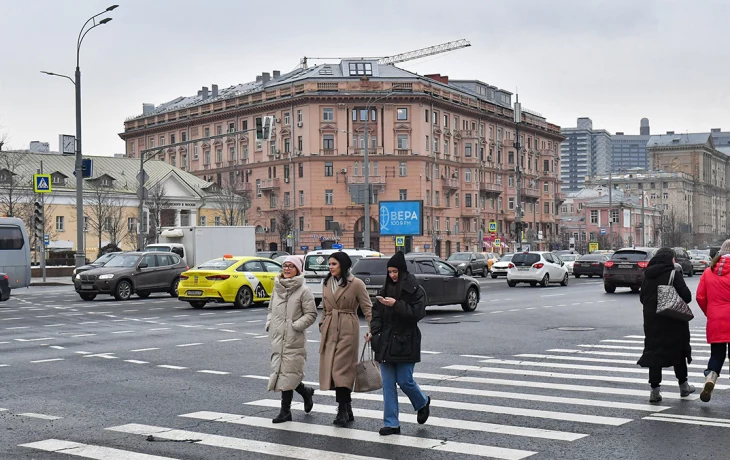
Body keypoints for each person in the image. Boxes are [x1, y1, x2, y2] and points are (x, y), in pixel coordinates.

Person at [368, 251, 431, 436]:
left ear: (402, 271)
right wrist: (374, 332)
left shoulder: (415, 289)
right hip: (386, 342)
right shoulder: (384, 289)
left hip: (406, 341)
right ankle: (392, 423)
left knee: (404, 380)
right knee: (387, 385)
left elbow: (417, 314)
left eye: (395, 271)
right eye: (390, 272)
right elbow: (376, 314)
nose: (392, 275)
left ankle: (422, 402)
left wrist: (396, 304)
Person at [319, 251, 373, 427]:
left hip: (348, 328)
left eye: (334, 264)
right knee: (333, 370)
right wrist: (322, 324)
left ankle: (342, 410)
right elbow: (325, 308)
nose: (330, 267)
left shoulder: (356, 283)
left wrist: (373, 329)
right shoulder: (327, 282)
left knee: (341, 370)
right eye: (329, 264)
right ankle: (347, 407)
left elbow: (367, 308)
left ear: (343, 265)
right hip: (330, 329)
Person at [637, 247, 695, 402]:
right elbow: (687, 297)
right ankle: (683, 386)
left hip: (652, 322)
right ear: (670, 259)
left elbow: (642, 298)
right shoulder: (673, 274)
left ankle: (655, 391)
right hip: (673, 321)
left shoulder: (647, 276)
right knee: (678, 352)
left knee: (654, 353)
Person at [266, 256, 318, 423]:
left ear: (298, 270)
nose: (287, 269)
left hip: (294, 338)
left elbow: (311, 314)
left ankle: (285, 411)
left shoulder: (304, 290)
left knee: (288, 373)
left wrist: (295, 326)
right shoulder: (277, 289)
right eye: (285, 266)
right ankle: (305, 392)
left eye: (291, 266)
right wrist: (270, 324)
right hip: (277, 336)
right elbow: (270, 309)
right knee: (284, 372)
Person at [696, 239, 730, 402]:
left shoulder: (708, 272)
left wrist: (710, 313)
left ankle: (710, 377)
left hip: (716, 319)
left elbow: (700, 296)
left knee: (717, 355)